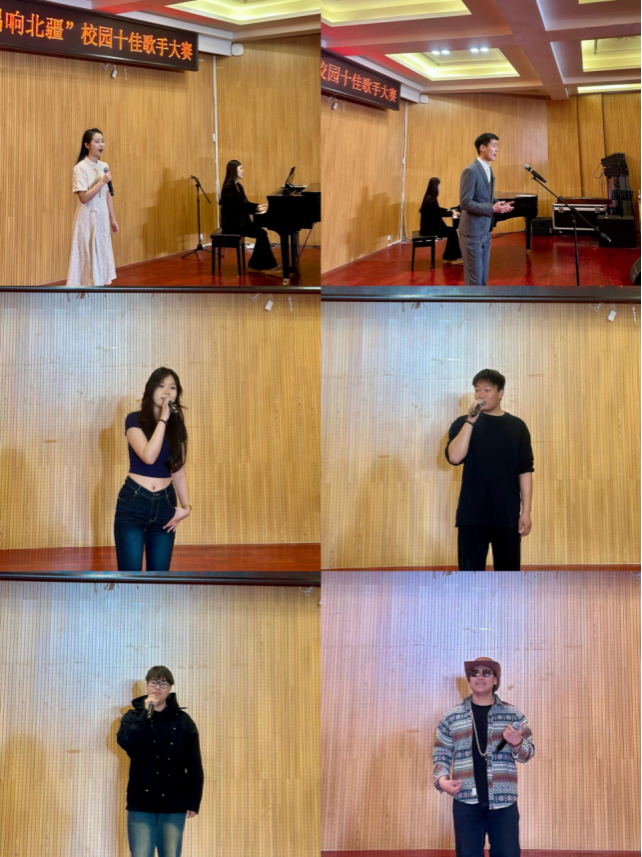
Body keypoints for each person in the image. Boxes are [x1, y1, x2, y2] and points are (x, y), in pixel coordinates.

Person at [433, 656, 534, 857]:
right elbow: (441, 752)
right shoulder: (452, 717)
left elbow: (528, 754)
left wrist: (516, 742)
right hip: (465, 800)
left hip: (504, 801)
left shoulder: (512, 715)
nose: (480, 677)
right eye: (475, 673)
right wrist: (442, 780)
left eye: (486, 673)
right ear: (469, 679)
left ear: (496, 680)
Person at [445, 369, 534, 571]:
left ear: (500, 393)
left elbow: (525, 471)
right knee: (469, 577)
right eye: (477, 390)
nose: (481, 395)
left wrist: (526, 512)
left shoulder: (517, 427)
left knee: (508, 576)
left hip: (507, 514)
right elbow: (454, 457)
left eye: (487, 390)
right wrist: (471, 420)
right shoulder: (462, 423)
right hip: (471, 515)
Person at [117, 666, 204, 857]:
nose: (158, 687)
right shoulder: (133, 717)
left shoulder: (183, 721)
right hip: (141, 803)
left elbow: (194, 764)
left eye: (163, 683)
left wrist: (194, 800)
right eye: (154, 682)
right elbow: (127, 743)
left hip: (173, 804)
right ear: (147, 685)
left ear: (170, 687)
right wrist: (145, 714)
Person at [114, 368, 192, 571]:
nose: (167, 391)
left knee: (159, 577)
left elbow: (178, 470)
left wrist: (186, 508)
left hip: (165, 503)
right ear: (151, 389)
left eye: (172, 387)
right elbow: (148, 456)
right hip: (134, 502)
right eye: (161, 386)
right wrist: (163, 419)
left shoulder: (177, 426)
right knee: (129, 576)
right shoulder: (134, 419)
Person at [458, 133, 514, 286]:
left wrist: (499, 205)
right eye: (494, 146)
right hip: (472, 232)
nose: (497, 150)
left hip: (485, 230)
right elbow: (465, 203)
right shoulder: (470, 171)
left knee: (483, 278)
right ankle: (473, 303)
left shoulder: (489, 169)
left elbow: (485, 198)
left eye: (497, 146)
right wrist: (492, 208)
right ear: (482, 147)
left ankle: (481, 302)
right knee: (475, 280)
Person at [66, 128, 118, 286]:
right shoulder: (80, 168)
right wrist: (102, 182)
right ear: (87, 145)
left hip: (102, 218)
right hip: (87, 218)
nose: (101, 144)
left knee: (101, 255)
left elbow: (107, 196)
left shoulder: (104, 166)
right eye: (97, 141)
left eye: (102, 141)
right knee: (88, 258)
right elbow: (83, 198)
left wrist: (113, 220)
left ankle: (99, 292)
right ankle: (85, 292)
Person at [218, 159, 281, 275]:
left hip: (240, 222)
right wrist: (256, 209)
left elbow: (245, 203)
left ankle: (257, 264)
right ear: (234, 170)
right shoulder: (228, 188)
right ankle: (259, 265)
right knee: (261, 234)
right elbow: (237, 207)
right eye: (240, 168)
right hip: (232, 225)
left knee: (261, 234)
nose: (243, 171)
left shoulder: (238, 186)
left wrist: (258, 206)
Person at [419, 176, 462, 264]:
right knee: (452, 232)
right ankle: (453, 257)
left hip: (429, 227)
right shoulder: (431, 200)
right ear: (435, 187)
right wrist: (451, 213)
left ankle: (448, 256)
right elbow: (437, 213)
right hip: (430, 229)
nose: (440, 187)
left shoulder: (429, 198)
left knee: (451, 231)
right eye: (439, 186)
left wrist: (449, 211)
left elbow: (437, 209)